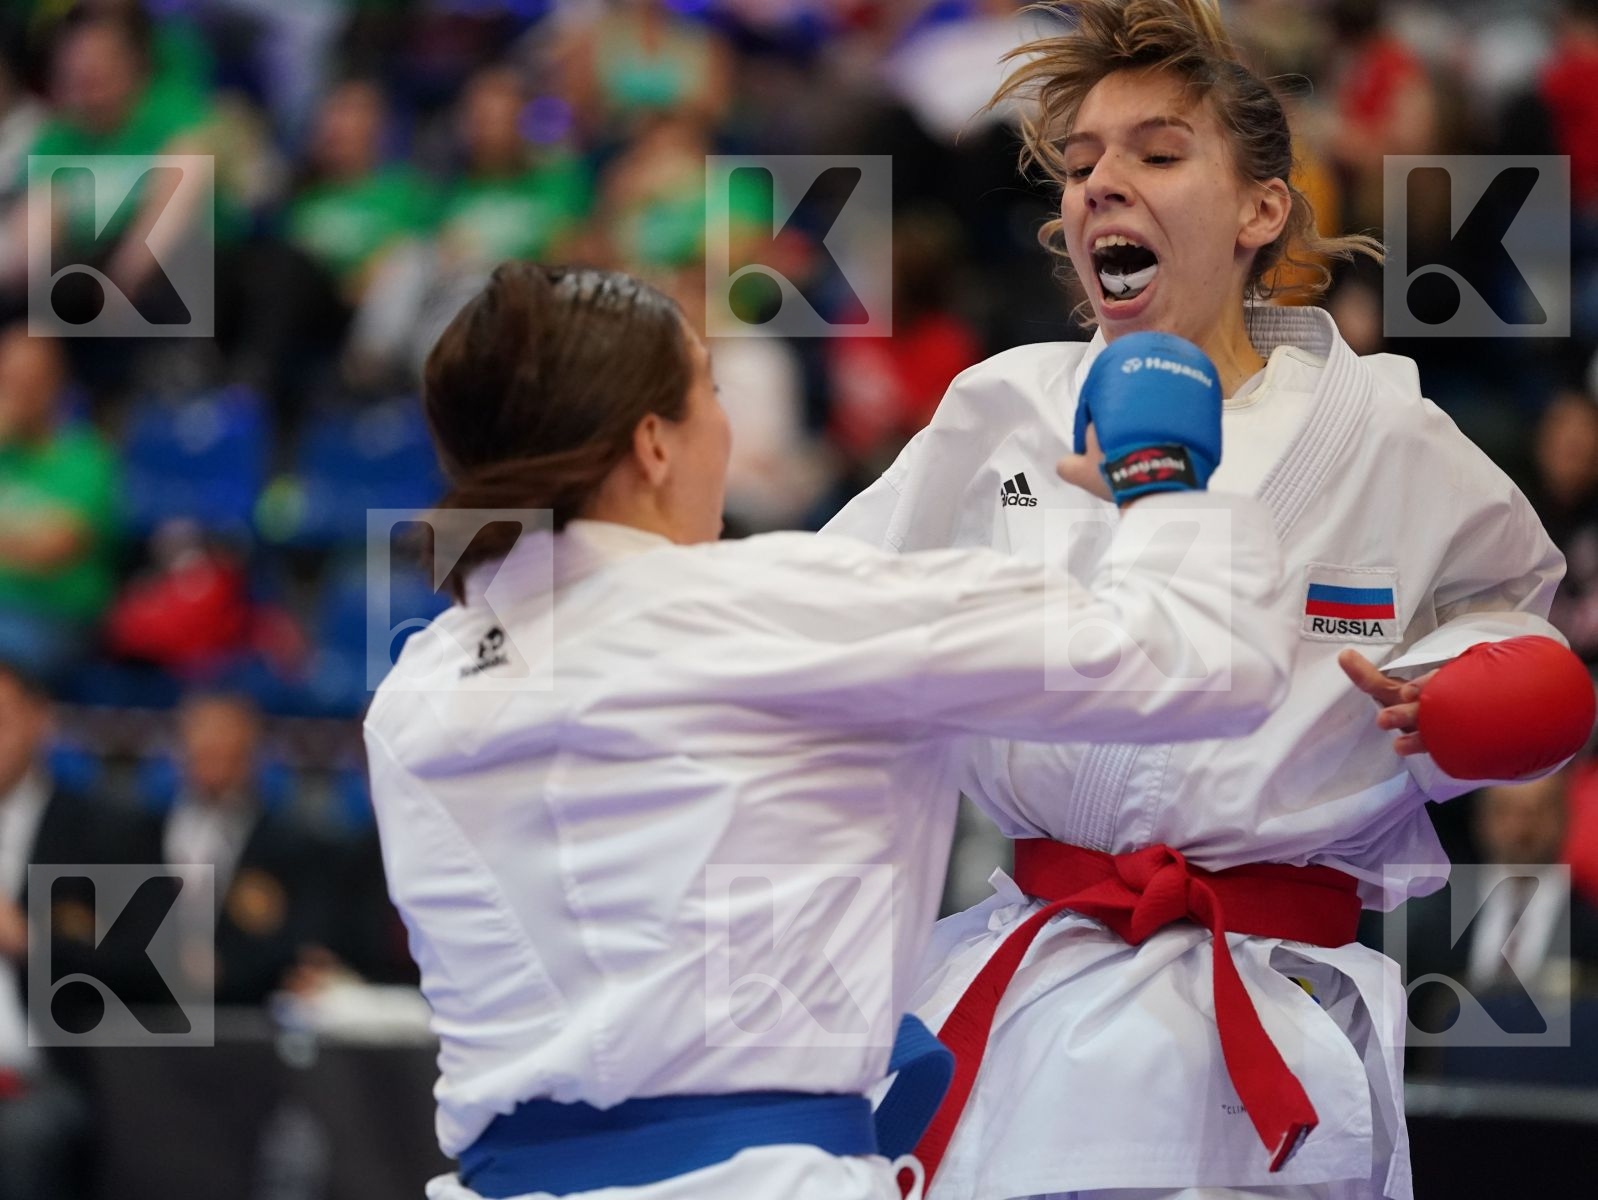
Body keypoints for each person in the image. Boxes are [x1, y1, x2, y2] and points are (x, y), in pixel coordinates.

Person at [823, 3, 1595, 1198]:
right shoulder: (1004, 410)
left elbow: (1512, 625)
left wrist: (1466, 693)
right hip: (1036, 983)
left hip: (1270, 996)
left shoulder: (1385, 435)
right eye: (1079, 166)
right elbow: (830, 617)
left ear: (1259, 210)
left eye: (1156, 154)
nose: (1101, 186)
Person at [363, 261, 1296, 1200]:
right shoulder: (784, 608)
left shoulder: (415, 692)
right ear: (653, 445)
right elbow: (1206, 660)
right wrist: (1164, 477)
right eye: (710, 394)